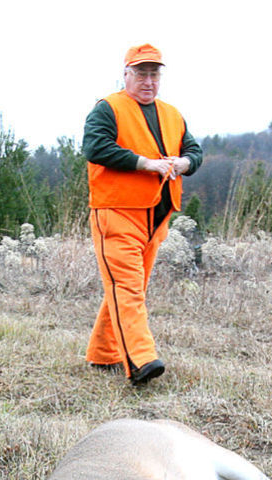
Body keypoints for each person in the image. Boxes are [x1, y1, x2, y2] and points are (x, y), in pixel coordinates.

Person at [82, 43, 203, 385]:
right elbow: (95, 147)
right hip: (116, 214)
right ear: (126, 74)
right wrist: (145, 163)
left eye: (154, 74)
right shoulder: (107, 109)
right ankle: (141, 361)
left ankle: (103, 353)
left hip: (156, 218)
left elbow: (194, 150)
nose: (149, 81)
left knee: (129, 287)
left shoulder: (172, 114)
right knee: (127, 289)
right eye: (141, 73)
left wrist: (184, 163)